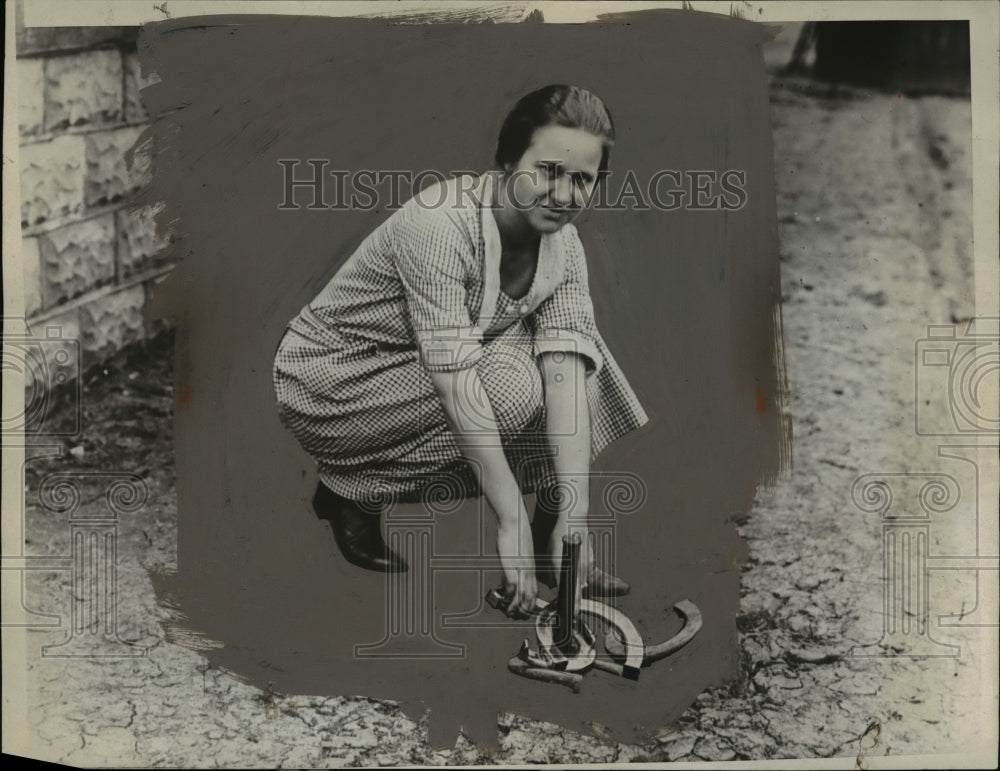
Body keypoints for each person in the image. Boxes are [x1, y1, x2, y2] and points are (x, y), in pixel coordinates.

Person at [273, 85, 648, 618]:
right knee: (512, 388)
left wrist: (576, 516)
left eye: (582, 179)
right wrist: (509, 522)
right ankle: (352, 490)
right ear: (506, 161)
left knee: (577, 359)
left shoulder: (563, 246)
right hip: (334, 381)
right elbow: (456, 380)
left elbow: (565, 372)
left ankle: (554, 541)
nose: (564, 196)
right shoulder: (440, 223)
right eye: (547, 171)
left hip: (420, 375)